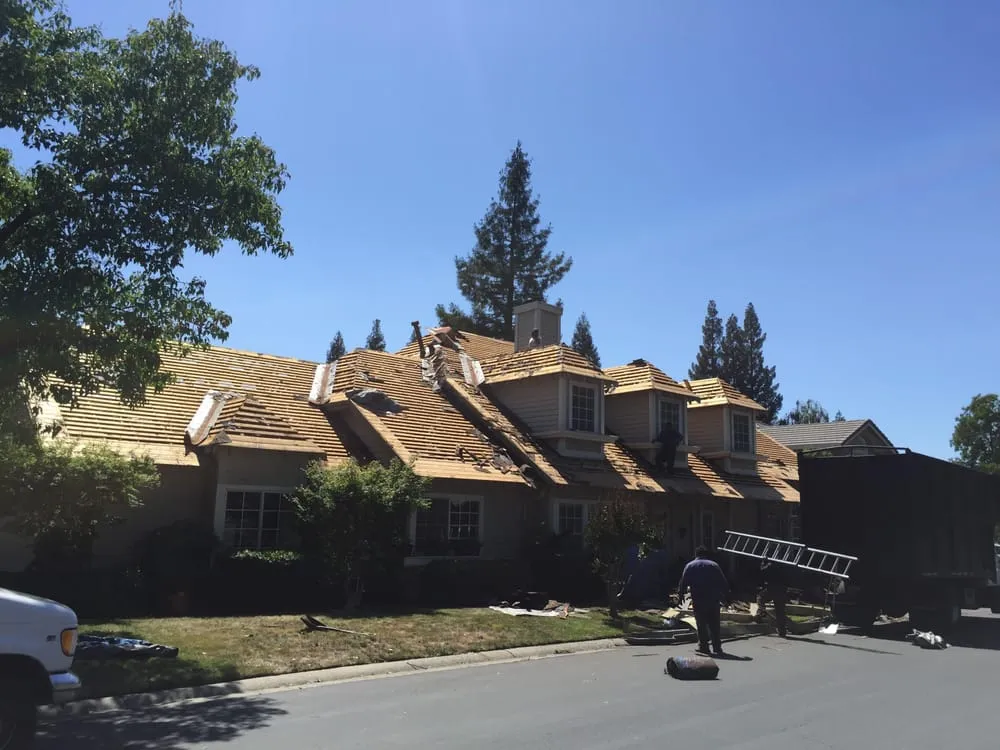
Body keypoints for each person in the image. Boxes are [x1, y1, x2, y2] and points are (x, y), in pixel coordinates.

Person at [677, 546, 730, 655]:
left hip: (698, 599)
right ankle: (717, 647)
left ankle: (704, 646)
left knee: (701, 624)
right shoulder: (714, 565)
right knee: (714, 624)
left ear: (696, 554)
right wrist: (726, 597)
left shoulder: (690, 566)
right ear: (706, 554)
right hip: (713, 599)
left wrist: (681, 596)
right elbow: (723, 582)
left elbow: (683, 583)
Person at [756, 557, 788, 637]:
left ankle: (761, 611)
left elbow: (762, 570)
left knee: (760, 597)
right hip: (782, 589)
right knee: (780, 611)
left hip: (772, 588)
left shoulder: (770, 565)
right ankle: (782, 631)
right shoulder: (784, 565)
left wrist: (763, 563)